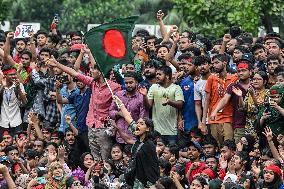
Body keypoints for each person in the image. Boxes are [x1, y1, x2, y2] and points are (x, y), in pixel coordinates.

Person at [47, 56, 121, 161]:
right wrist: (57, 64)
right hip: (91, 126)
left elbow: (118, 107)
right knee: (95, 159)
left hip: (104, 128)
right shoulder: (93, 83)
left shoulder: (115, 87)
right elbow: (74, 73)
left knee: (106, 159)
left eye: (94, 69)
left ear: (100, 72)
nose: (91, 71)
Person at [113, 95, 159, 188]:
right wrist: (119, 102)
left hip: (145, 181)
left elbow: (153, 166)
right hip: (135, 177)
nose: (137, 125)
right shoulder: (138, 137)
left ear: (147, 129)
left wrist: (151, 184)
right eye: (137, 123)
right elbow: (128, 117)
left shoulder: (149, 145)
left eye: (141, 124)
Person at [210, 59, 252, 143]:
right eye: (239, 71)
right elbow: (225, 99)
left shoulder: (256, 84)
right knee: (240, 150)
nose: (240, 73)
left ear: (250, 72)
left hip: (255, 123)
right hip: (240, 124)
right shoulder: (233, 86)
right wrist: (215, 111)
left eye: (244, 70)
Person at [141, 65, 184, 145]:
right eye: (156, 74)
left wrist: (169, 102)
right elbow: (148, 106)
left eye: (159, 74)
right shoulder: (153, 87)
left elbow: (180, 104)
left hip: (172, 131)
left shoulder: (176, 88)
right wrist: (144, 96)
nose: (156, 76)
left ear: (167, 76)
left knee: (171, 153)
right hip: (156, 131)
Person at [202, 54, 237, 146]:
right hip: (213, 118)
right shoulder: (211, 78)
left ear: (225, 63)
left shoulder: (234, 78)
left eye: (217, 63)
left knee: (228, 146)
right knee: (216, 146)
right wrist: (203, 122)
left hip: (228, 117)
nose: (214, 65)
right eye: (213, 63)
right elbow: (207, 100)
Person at [109, 72, 148, 145]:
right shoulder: (118, 95)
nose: (128, 85)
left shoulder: (141, 97)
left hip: (134, 137)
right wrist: (119, 114)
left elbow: (142, 118)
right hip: (119, 136)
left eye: (131, 82)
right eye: (126, 83)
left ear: (136, 82)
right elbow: (111, 112)